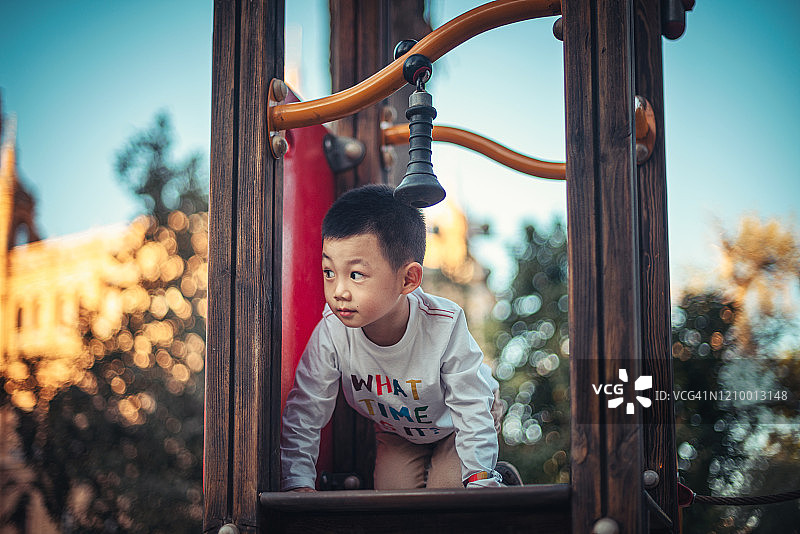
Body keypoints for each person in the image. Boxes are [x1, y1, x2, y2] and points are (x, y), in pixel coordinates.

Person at [280, 184, 518, 491]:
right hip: (399, 431)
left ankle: (497, 478)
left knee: (446, 496)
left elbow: (470, 405)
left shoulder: (443, 325)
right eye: (329, 272)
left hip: (460, 423)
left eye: (356, 275)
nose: (338, 291)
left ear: (407, 279)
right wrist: (298, 483)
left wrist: (480, 480)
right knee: (393, 502)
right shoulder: (333, 331)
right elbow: (305, 410)